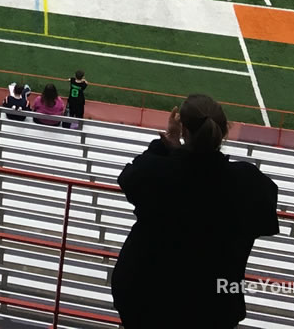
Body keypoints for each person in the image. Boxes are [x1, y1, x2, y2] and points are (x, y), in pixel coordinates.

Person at [111, 95, 279, 327]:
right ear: (223, 132)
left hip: (147, 297)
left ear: (184, 132)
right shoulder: (249, 181)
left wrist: (169, 144)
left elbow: (130, 178)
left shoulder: (158, 172)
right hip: (214, 305)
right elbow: (265, 221)